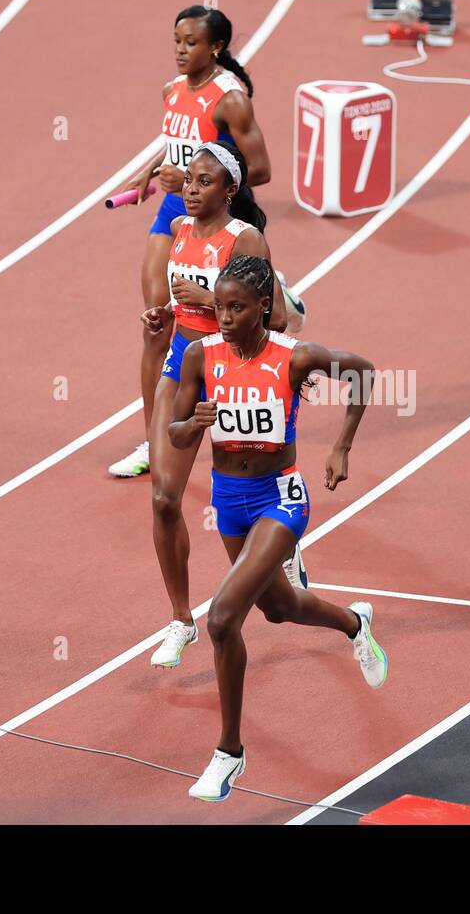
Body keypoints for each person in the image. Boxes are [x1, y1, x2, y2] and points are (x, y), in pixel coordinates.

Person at [168, 255, 388, 801]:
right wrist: (190, 423)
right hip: (230, 501)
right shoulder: (201, 355)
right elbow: (173, 435)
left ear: (264, 307)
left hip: (280, 499)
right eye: (218, 307)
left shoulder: (295, 357)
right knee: (279, 608)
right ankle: (355, 624)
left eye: (236, 308)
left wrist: (340, 446)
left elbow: (362, 371)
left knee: (222, 619)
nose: (223, 318)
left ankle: (229, 754)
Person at [137, 141, 307, 668]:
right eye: (188, 180)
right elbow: (179, 305)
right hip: (185, 361)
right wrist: (165, 317)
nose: (190, 189)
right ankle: (179, 620)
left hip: (236, 371)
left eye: (203, 182)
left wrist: (211, 300)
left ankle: (285, 544)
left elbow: (275, 318)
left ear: (230, 190)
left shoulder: (245, 237)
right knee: (164, 497)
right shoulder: (181, 233)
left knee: (249, 486)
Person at [108, 5, 283, 478]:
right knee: (155, 326)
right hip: (173, 214)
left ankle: (273, 296)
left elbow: (259, 170)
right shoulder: (171, 90)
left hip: (216, 217)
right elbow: (180, 142)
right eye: (177, 41)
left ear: (216, 48)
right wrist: (154, 169)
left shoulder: (231, 100)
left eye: (191, 43)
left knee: (222, 325)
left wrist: (187, 176)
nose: (182, 51)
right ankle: (153, 442)